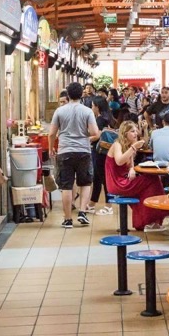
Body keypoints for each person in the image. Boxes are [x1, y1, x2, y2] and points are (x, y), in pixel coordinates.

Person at [49, 82, 100, 228]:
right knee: (85, 183)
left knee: (66, 185)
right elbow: (95, 133)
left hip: (65, 151)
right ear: (81, 95)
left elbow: (52, 133)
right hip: (83, 150)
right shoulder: (87, 111)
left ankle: (67, 219)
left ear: (68, 95)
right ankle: (82, 212)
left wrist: (52, 147)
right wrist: (83, 136)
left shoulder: (59, 111)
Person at [106, 121, 169, 232]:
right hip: (117, 183)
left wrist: (132, 169)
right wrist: (133, 148)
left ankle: (147, 222)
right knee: (152, 179)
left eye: (136, 131)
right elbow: (119, 161)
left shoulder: (129, 147)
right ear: (124, 133)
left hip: (124, 180)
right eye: (132, 131)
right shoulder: (117, 145)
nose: (136, 133)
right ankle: (161, 211)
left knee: (148, 186)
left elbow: (131, 166)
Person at [88, 96, 115, 212]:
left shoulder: (99, 120)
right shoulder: (108, 118)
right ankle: (92, 203)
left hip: (100, 151)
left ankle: (109, 205)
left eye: (93, 106)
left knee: (103, 178)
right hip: (106, 151)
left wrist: (86, 140)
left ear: (97, 107)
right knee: (98, 178)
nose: (91, 108)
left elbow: (97, 135)